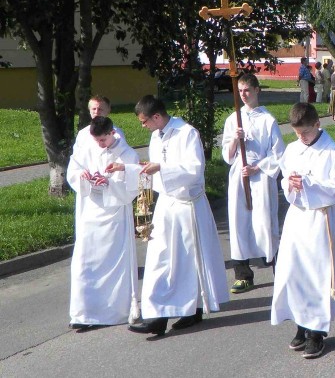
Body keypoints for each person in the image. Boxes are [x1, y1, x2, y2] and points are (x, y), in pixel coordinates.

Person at [114, 95, 229, 336]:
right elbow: (153, 170)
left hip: (187, 205)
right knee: (160, 260)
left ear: (157, 116)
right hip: (167, 205)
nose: (143, 126)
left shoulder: (187, 133)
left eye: (145, 121)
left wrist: (161, 168)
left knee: (187, 261)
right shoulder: (156, 136)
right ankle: (156, 315)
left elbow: (195, 170)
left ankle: (192, 309)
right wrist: (128, 168)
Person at [271, 103, 335, 360]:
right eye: (296, 133)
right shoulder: (292, 149)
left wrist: (308, 184)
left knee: (318, 274)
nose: (300, 138)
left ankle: (316, 332)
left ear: (317, 124)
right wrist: (290, 184)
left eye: (304, 132)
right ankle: (301, 325)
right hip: (297, 218)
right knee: (294, 272)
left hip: (320, 217)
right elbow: (284, 179)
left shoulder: (331, 150)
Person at [67, 116, 140, 331]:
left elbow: (132, 189)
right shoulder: (88, 147)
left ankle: (113, 312)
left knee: (113, 265)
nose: (100, 144)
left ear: (112, 133)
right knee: (83, 261)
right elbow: (73, 170)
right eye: (97, 140)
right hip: (91, 212)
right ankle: (82, 313)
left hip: (115, 215)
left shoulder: (127, 154)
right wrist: (83, 175)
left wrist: (109, 183)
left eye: (103, 140)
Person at [222, 73, 286, 294]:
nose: (243, 95)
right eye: (240, 91)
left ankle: (280, 269)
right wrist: (234, 140)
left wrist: (257, 167)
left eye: (247, 90)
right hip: (239, 177)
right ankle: (243, 273)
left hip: (260, 179)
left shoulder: (268, 120)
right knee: (239, 224)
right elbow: (227, 156)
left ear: (257, 90)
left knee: (264, 223)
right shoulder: (233, 119)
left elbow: (278, 153)